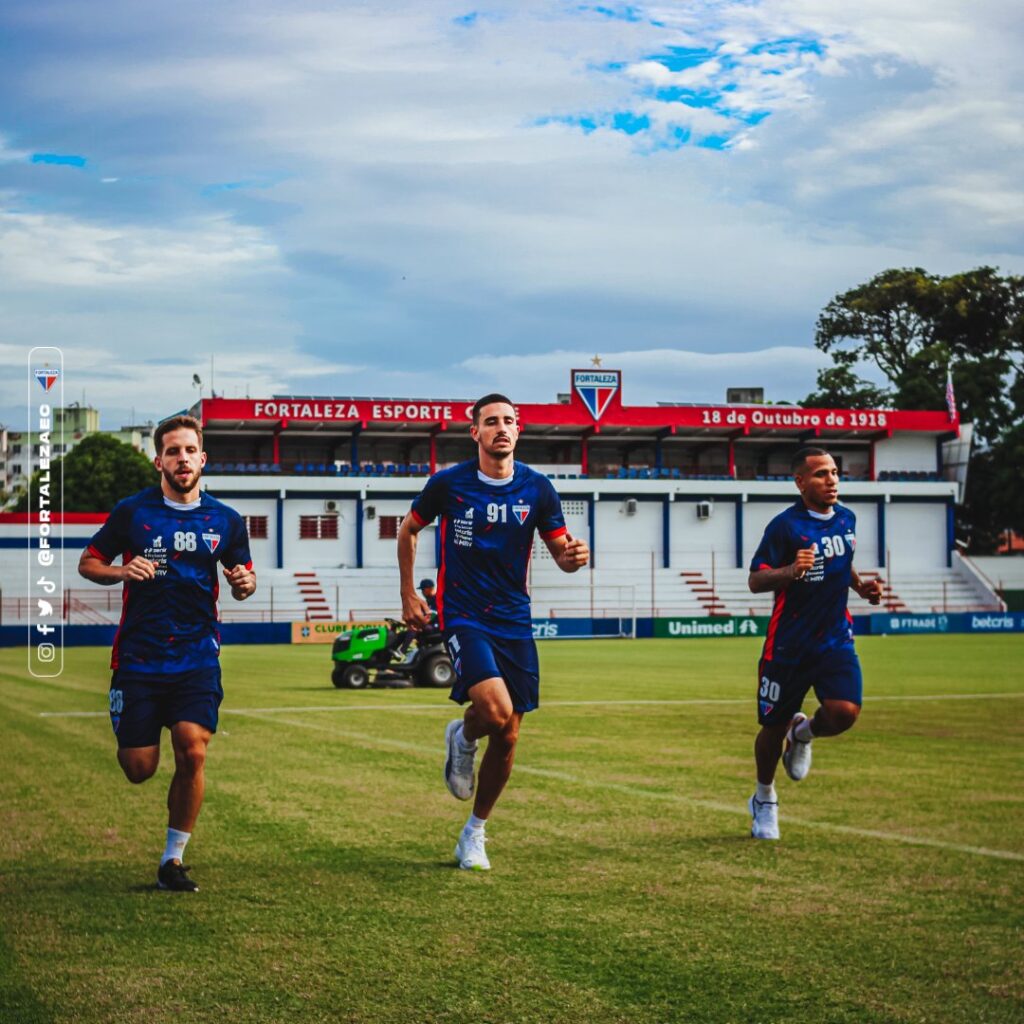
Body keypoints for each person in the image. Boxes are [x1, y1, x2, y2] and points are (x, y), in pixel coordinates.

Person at [398, 394, 589, 870]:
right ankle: (463, 737)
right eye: (491, 422)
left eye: (509, 421)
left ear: (518, 430)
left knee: (509, 735)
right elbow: (408, 529)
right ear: (475, 433)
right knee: (495, 710)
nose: (501, 428)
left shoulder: (539, 489)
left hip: (515, 619)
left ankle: (474, 833)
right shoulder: (449, 484)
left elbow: (559, 551)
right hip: (464, 613)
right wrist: (408, 594)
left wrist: (572, 558)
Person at [78, 415, 256, 891]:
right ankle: (133, 728)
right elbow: (88, 562)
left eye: (189, 451)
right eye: (172, 451)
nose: (182, 459)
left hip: (197, 656)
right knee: (139, 769)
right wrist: (121, 571)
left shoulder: (226, 520)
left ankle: (172, 861)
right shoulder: (132, 513)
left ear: (203, 459)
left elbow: (245, 578)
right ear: (159, 459)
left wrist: (244, 583)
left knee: (192, 748)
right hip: (138, 658)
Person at [746, 446, 882, 840]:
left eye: (835, 472)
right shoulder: (784, 527)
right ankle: (764, 798)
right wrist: (790, 569)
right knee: (771, 727)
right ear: (800, 481)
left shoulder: (847, 518)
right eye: (822, 474)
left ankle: (802, 734)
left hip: (835, 638)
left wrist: (861, 587)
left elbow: (842, 560)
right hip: (788, 645)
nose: (832, 480)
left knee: (844, 714)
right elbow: (756, 580)